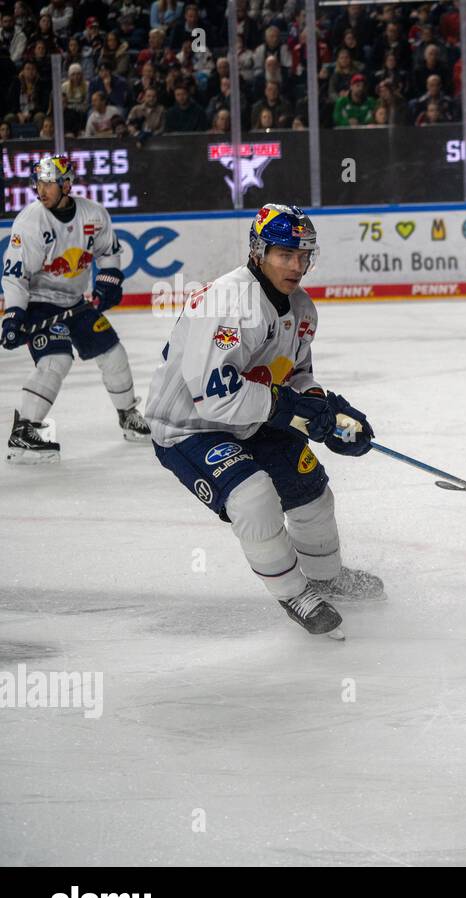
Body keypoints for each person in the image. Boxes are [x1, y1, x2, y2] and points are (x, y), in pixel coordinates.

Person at [143, 204, 384, 637]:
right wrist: (287, 409)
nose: (297, 265)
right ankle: (294, 592)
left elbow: (297, 376)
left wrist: (327, 414)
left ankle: (327, 577)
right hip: (189, 426)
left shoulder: (302, 309)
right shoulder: (227, 302)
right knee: (253, 497)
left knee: (311, 493)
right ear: (258, 252)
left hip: (253, 417)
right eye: (285, 254)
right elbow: (214, 398)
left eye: (303, 255)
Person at [3, 155, 148, 462]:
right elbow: (16, 275)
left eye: (49, 183)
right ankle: (24, 431)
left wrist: (108, 282)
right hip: (39, 303)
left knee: (113, 352)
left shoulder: (93, 215)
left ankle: (127, 414)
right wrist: (14, 314)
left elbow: (108, 254)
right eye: (38, 183)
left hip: (74, 302)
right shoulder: (31, 221)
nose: (41, 190)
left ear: (66, 185)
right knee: (56, 359)